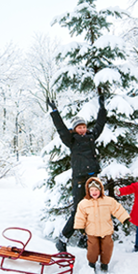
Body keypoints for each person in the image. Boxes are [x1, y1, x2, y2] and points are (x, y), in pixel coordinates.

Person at [47, 93, 107, 253]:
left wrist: (102, 108)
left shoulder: (91, 137)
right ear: (74, 129)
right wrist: (54, 112)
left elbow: (100, 125)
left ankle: (84, 237)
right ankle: (62, 239)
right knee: (78, 211)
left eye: (84, 126)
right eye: (79, 127)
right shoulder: (71, 140)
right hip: (80, 179)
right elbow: (60, 128)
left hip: (93, 179)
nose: (82, 129)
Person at [74, 177, 129, 273]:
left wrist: (125, 219)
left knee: (107, 247)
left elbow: (117, 209)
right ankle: (92, 264)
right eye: (92, 190)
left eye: (96, 190)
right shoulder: (84, 203)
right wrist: (80, 227)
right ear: (88, 191)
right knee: (93, 249)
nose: (94, 192)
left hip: (106, 230)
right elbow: (80, 216)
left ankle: (104, 264)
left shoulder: (108, 201)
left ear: (100, 190)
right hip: (92, 231)